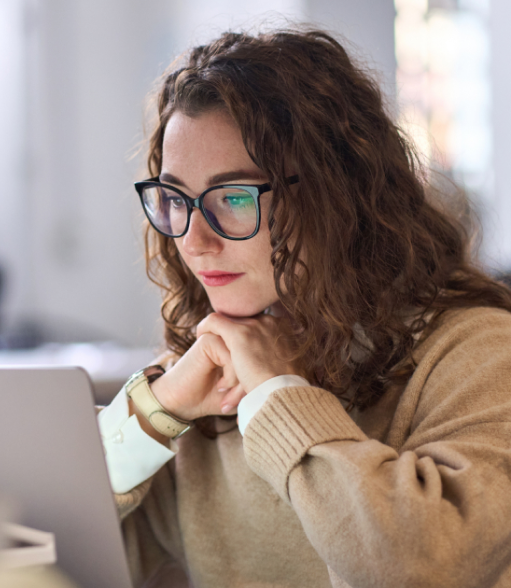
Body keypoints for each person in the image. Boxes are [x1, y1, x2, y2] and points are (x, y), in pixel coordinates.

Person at [97, 28, 511, 588]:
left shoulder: (480, 352)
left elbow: (416, 567)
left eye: (235, 198)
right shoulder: (204, 377)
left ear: (336, 197)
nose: (193, 240)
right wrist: (154, 411)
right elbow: (33, 545)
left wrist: (275, 393)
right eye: (175, 199)